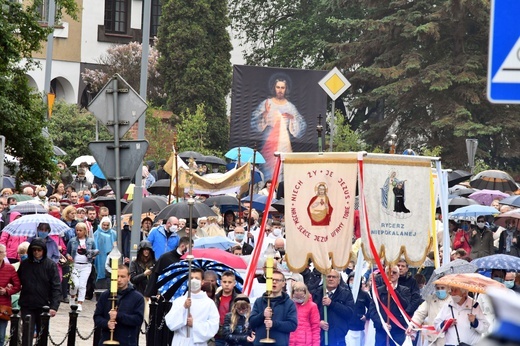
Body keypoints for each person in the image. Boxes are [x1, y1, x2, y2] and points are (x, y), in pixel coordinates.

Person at [251, 77, 307, 179]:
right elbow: (254, 123)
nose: (280, 90)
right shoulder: (266, 103)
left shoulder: (290, 107)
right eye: (278, 87)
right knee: (269, 171)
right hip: (269, 142)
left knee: (282, 170)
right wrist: (265, 113)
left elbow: (300, 128)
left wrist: (292, 118)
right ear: (274, 88)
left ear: (286, 89)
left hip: (284, 142)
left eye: (282, 88)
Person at [18, 238, 61, 338]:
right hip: (27, 303)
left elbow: (56, 286)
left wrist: (54, 306)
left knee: (42, 334)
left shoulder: (50, 265)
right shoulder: (25, 264)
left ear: (43, 250)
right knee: (27, 333)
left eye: (39, 250)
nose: (36, 252)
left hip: (44, 304)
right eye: (34, 250)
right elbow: (17, 279)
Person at [165, 267, 220, 345]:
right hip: (180, 341)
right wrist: (183, 308)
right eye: (191, 278)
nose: (194, 281)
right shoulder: (179, 301)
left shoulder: (209, 303)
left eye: (197, 278)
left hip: (197, 343)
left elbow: (213, 326)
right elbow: (170, 323)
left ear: (202, 282)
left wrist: (194, 324)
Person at [94, 265, 144, 346]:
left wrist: (119, 316)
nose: (119, 280)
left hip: (127, 341)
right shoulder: (105, 295)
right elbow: (97, 316)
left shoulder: (137, 297)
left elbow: (138, 319)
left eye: (123, 276)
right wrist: (107, 323)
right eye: (117, 276)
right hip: (106, 341)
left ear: (128, 277)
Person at [250, 270, 298, 346]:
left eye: (278, 280)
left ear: (283, 283)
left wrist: (274, 324)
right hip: (260, 343)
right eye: (271, 280)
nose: (274, 282)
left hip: (279, 343)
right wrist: (262, 315)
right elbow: (252, 323)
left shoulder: (289, 303)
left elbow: (292, 325)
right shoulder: (259, 301)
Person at [369, 265, 411, 346]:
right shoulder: (378, 291)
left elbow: (405, 306)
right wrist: (382, 324)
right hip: (382, 330)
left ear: (399, 275)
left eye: (394, 272)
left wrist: (394, 292)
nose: (391, 274)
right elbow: (372, 310)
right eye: (388, 272)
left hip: (398, 330)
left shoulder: (405, 290)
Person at [312, 269, 354, 346]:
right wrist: (318, 322)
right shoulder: (316, 293)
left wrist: (332, 304)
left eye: (334, 277)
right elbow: (310, 313)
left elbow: (349, 313)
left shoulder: (346, 294)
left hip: (338, 337)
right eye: (328, 276)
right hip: (320, 337)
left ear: (338, 280)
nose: (331, 279)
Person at [66, 222, 96, 312]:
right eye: (77, 230)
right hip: (75, 264)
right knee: (75, 284)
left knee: (82, 285)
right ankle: (72, 296)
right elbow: (67, 252)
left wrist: (93, 255)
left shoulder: (90, 241)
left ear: (85, 231)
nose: (78, 232)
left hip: (86, 265)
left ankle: (80, 303)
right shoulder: (72, 241)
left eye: (80, 230)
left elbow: (95, 251)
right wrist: (68, 256)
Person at [0, 244, 21, 344]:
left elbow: (17, 286)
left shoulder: (9, 268)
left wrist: (7, 291)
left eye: (1, 252)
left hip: (3, 306)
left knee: (1, 335)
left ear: (5, 254)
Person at [289, 281, 320, 346]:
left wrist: (316, 344)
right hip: (290, 341)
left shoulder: (312, 306)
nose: (298, 293)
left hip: (306, 342)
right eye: (296, 290)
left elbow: (315, 327)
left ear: (305, 292)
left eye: (301, 290)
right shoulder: (289, 305)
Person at [345, 273, 371, 346]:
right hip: (347, 327)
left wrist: (366, 316)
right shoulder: (345, 293)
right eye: (351, 280)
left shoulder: (364, 295)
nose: (353, 282)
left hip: (359, 326)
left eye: (355, 280)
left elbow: (371, 307)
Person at [215, 270, 239, 346]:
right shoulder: (215, 298)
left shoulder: (238, 299)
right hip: (217, 335)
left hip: (232, 335)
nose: (227, 284)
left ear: (234, 283)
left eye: (229, 282)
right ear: (220, 282)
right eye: (224, 282)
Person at [93, 217, 117, 288]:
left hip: (111, 255)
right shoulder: (96, 233)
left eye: (107, 225)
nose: (105, 227)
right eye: (104, 225)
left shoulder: (114, 233)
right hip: (100, 256)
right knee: (100, 270)